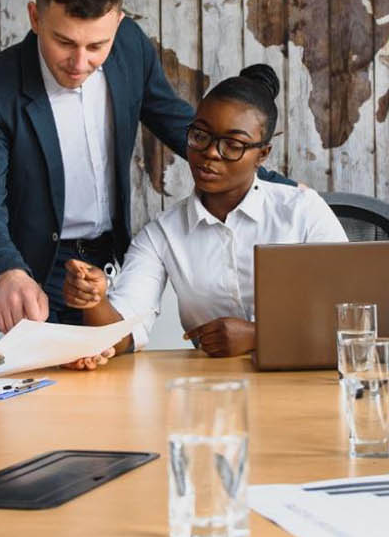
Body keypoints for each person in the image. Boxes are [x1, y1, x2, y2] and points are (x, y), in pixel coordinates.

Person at [0, 0, 287, 331]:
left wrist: (272, 181)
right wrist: (6, 271)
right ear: (35, 17)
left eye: (97, 45)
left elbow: (178, 122)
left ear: (119, 22)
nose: (79, 62)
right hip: (27, 270)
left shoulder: (130, 46)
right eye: (64, 42)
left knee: (106, 385)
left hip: (105, 266)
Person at [61, 64, 346, 362]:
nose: (210, 152)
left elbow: (354, 318)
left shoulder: (303, 211)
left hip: (303, 386)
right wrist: (94, 300)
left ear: (262, 155)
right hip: (211, 392)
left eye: (232, 145)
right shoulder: (162, 234)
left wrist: (257, 335)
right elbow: (122, 333)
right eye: (200, 136)